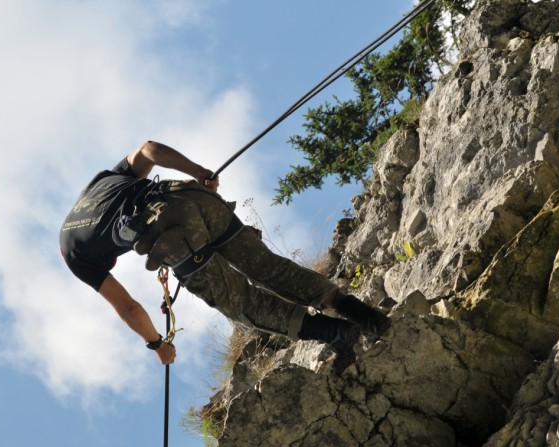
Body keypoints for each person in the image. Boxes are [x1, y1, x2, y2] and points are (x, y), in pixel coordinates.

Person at [59, 141, 389, 375]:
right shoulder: (99, 184)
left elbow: (130, 308)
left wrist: (157, 345)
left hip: (170, 233)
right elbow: (149, 150)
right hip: (191, 196)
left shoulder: (75, 255)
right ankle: (368, 318)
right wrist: (199, 171)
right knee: (268, 268)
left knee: (242, 303)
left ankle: (338, 335)